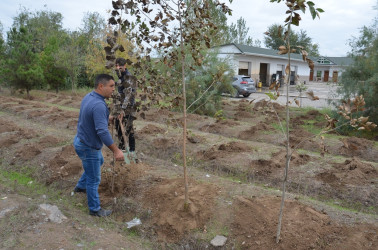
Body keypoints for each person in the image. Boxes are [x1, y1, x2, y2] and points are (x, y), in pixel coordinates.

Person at [73, 74, 124, 217]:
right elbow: (102, 131)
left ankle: (80, 187)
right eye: (111, 86)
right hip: (88, 146)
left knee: (98, 161)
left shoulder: (89, 97)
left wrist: (108, 118)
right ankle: (94, 209)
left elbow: (92, 116)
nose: (114, 89)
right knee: (94, 179)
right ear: (101, 86)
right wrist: (116, 150)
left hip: (80, 140)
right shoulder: (99, 105)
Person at [114, 58, 138, 161]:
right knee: (118, 126)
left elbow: (128, 95)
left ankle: (132, 153)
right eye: (117, 66)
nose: (118, 68)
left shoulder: (129, 77)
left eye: (120, 66)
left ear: (125, 66)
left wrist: (123, 109)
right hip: (121, 106)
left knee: (128, 129)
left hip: (129, 107)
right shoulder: (121, 75)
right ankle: (122, 150)